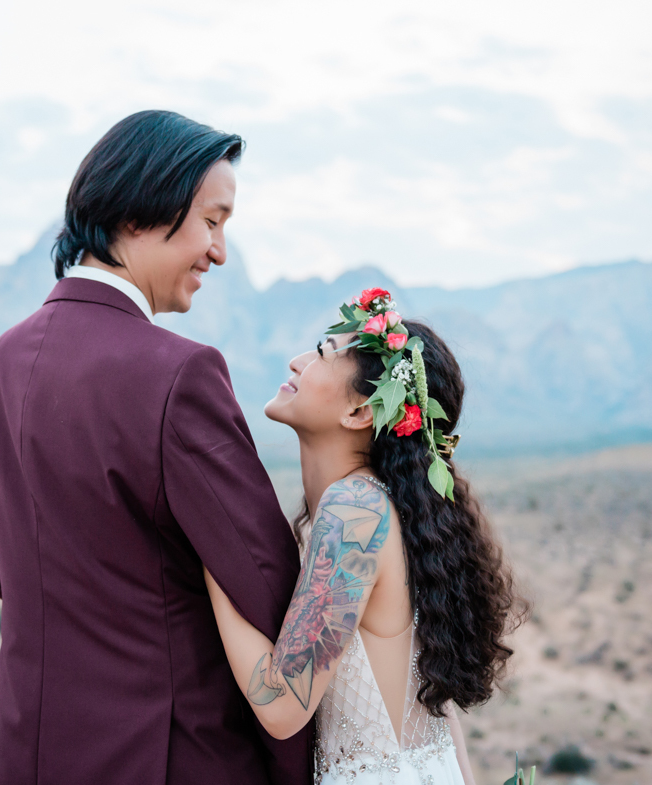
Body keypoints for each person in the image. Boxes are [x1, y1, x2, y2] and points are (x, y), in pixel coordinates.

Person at [0, 110, 311, 784]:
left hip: (17, 756)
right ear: (142, 211)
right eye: (212, 220)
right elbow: (262, 579)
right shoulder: (180, 375)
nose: (220, 251)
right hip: (170, 755)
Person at [205, 288, 527, 784]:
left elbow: (283, 704)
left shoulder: (356, 513)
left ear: (359, 413)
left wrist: (211, 551)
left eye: (320, 353)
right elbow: (436, 703)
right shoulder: (383, 509)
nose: (295, 362)